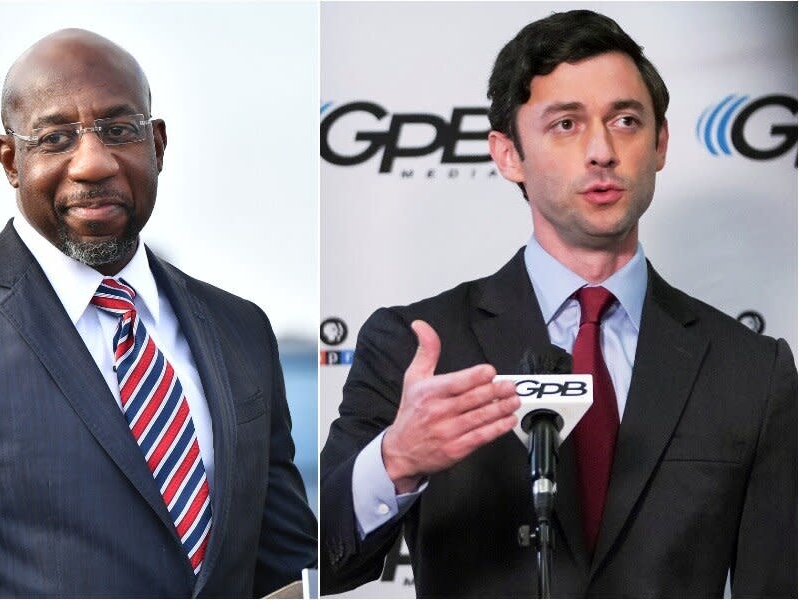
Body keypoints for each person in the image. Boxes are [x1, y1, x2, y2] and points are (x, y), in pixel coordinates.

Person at [320, 9, 796, 598]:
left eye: (626, 120)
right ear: (507, 154)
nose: (602, 150)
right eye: (566, 124)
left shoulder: (751, 369)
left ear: (661, 143)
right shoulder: (415, 344)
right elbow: (325, 558)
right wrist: (396, 459)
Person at [0, 29, 316, 598]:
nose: (92, 163)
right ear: (10, 159)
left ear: (158, 146)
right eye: (55, 137)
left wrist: (389, 472)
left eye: (119, 131)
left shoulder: (241, 331)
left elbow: (288, 569)